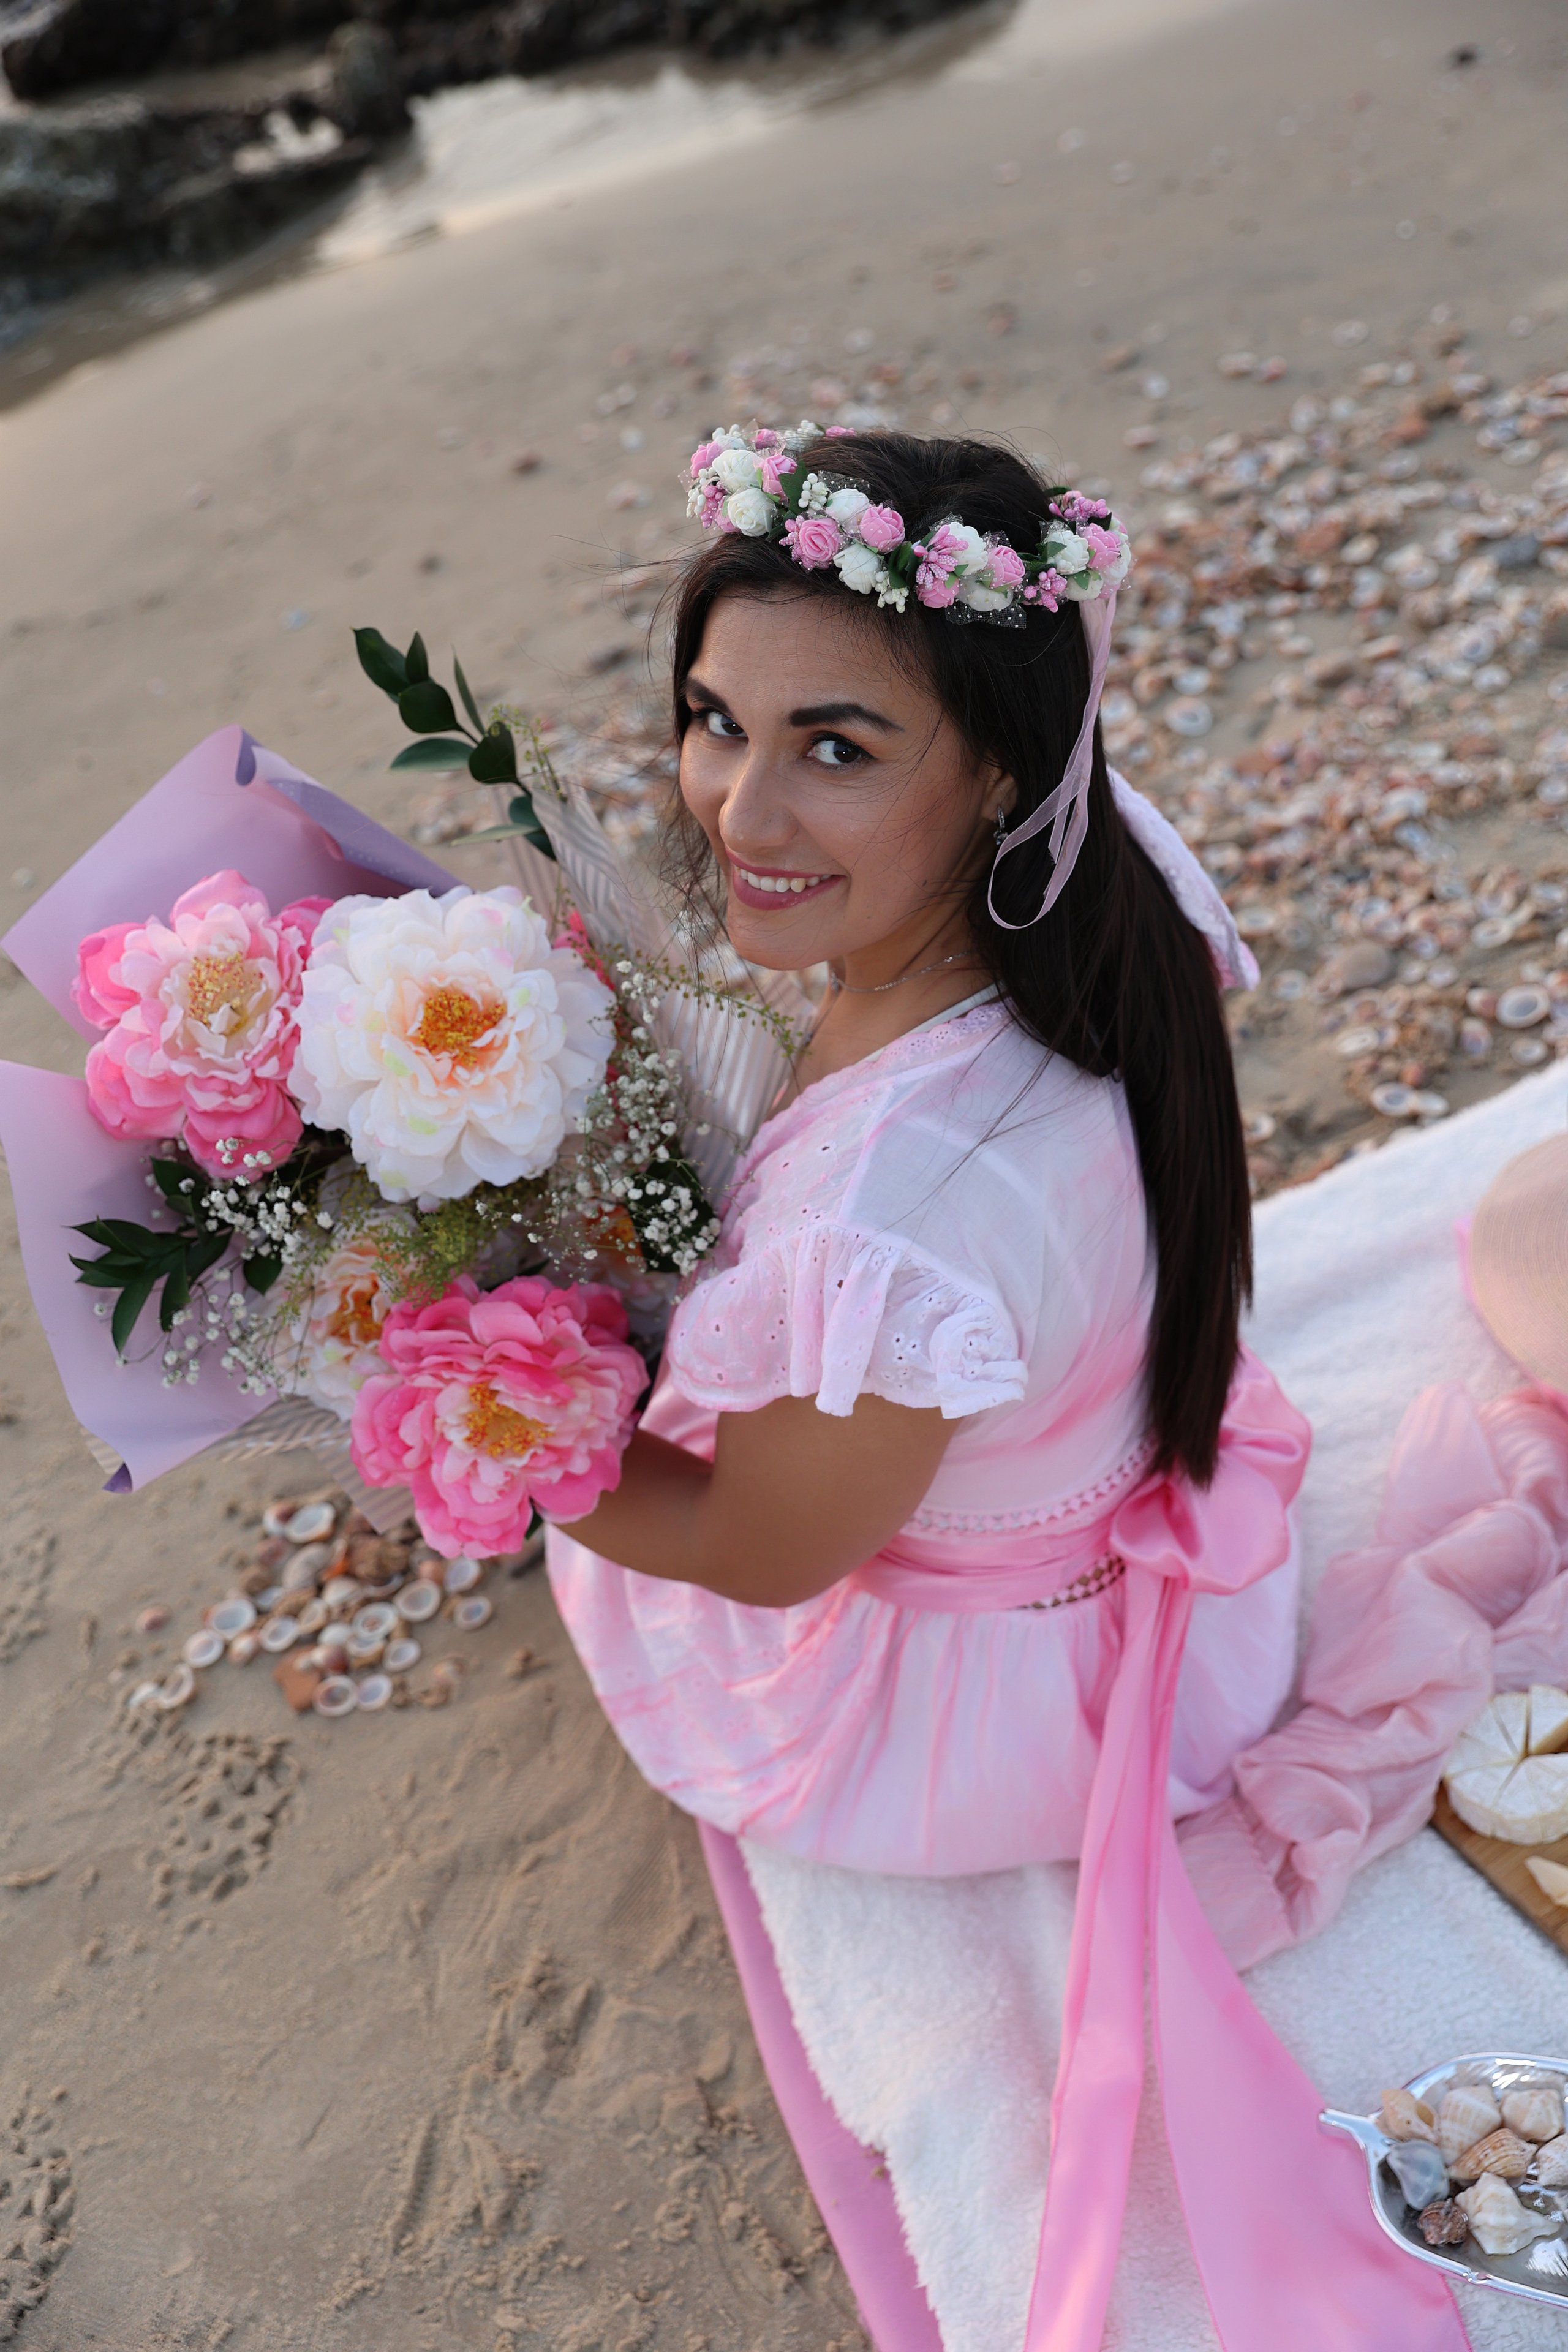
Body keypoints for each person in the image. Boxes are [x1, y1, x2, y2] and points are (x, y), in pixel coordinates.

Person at [545, 431, 1469, 2352]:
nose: (736, 803)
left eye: (838, 747)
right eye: (717, 721)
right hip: (1162, 1546)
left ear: (997, 770)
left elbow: (755, 1549)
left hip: (1004, 1709)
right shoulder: (1107, 887)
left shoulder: (901, 1220)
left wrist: (490, 1432)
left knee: (601, 1531)